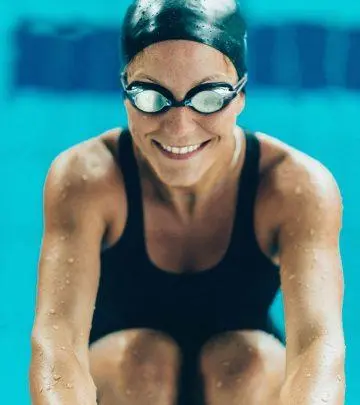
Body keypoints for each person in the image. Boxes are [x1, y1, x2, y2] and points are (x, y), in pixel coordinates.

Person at [29, 1, 345, 404]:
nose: (179, 127)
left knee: (246, 363)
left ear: (241, 94)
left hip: (244, 388)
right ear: (125, 93)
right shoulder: (88, 178)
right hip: (124, 385)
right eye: (151, 96)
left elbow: (319, 349)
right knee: (142, 363)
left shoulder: (293, 186)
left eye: (209, 97)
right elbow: (56, 344)